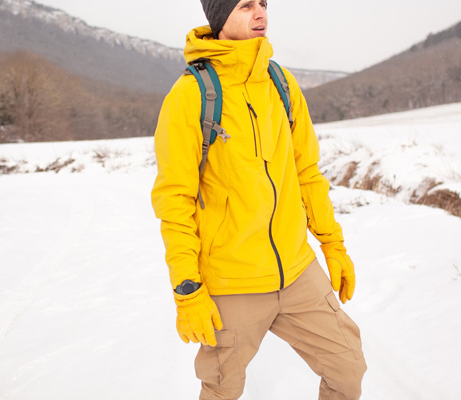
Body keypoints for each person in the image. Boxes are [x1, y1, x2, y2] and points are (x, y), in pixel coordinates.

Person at [150, 1, 367, 398]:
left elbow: (307, 173)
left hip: (297, 270)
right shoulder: (190, 95)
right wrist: (187, 288)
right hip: (232, 282)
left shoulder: (280, 83)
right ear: (219, 17)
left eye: (263, 4)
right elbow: (174, 201)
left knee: (348, 366)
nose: (260, 14)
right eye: (246, 5)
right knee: (221, 389)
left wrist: (332, 243)